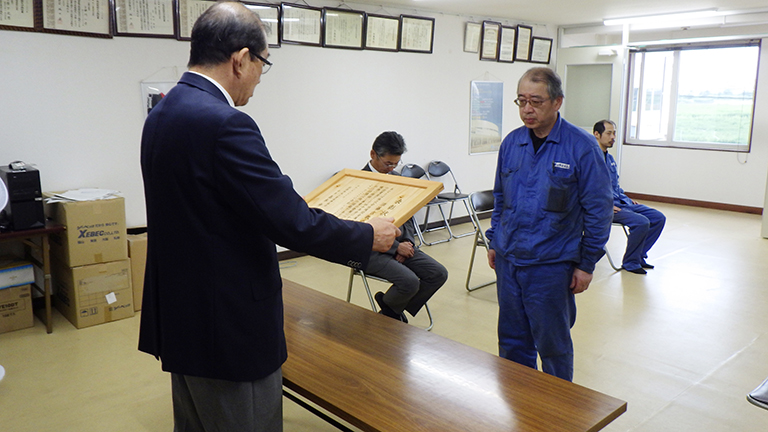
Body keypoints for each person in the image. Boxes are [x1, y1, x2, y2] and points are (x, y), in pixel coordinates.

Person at [139, 3, 399, 431]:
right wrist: (367, 235)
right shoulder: (227, 124)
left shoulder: (164, 112)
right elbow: (292, 222)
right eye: (263, 64)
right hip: (229, 329)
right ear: (241, 59)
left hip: (183, 319)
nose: (260, 78)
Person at [485, 67, 613, 382]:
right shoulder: (512, 143)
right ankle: (519, 407)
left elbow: (599, 209)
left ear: (557, 102)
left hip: (550, 265)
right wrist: (494, 240)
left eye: (536, 102)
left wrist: (586, 263)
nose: (527, 109)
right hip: (509, 260)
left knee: (553, 346)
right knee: (513, 343)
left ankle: (558, 415)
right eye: (521, 101)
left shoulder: (581, 147)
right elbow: (500, 197)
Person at [361, 131, 448, 322]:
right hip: (370, 250)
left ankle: (390, 308)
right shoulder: (359, 182)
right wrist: (395, 247)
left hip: (401, 244)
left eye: (396, 163)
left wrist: (407, 242)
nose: (392, 168)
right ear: (373, 154)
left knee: (438, 274)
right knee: (409, 281)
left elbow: (407, 215)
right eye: (388, 163)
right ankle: (392, 311)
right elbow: (361, 228)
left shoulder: (396, 178)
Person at [593, 120, 666, 275]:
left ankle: (638, 255)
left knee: (658, 218)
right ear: (596, 135)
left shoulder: (610, 159)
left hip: (621, 202)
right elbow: (585, 189)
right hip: (603, 207)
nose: (613, 137)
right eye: (609, 133)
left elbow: (615, 186)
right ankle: (630, 262)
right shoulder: (590, 160)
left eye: (614, 133)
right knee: (641, 222)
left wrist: (625, 198)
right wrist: (606, 205)